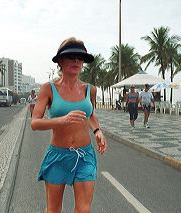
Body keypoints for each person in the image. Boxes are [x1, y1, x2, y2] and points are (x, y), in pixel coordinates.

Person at [31, 37, 107, 213]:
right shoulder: (48, 89)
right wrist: (62, 120)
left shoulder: (90, 90)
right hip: (58, 156)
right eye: (71, 56)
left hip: (84, 155)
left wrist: (97, 130)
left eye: (80, 58)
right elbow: (35, 123)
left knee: (83, 210)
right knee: (53, 210)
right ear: (60, 61)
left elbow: (90, 114)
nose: (76, 61)